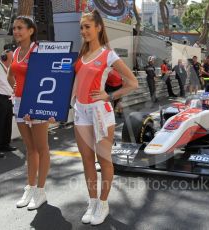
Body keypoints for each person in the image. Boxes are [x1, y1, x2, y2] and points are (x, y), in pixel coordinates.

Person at [72, 10, 138, 225]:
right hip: (81, 111)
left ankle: (103, 203)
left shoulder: (108, 55)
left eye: (87, 27)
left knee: (104, 160)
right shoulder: (81, 56)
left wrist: (109, 95)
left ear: (99, 27)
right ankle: (92, 201)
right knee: (87, 160)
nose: (83, 31)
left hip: (100, 112)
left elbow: (132, 83)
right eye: (81, 27)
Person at [7, 16, 52, 210]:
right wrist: (14, 88)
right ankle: (31, 187)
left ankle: (40, 191)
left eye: (20, 28)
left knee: (42, 148)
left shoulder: (39, 50)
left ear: (31, 30)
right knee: (30, 148)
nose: (16, 31)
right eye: (15, 28)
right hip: (18, 103)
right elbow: (10, 74)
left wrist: (35, 102)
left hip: (36, 104)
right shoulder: (16, 51)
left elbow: (49, 78)